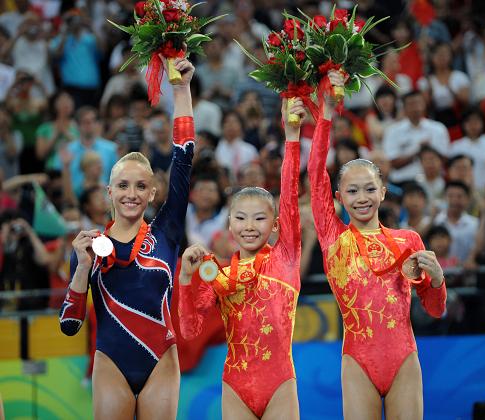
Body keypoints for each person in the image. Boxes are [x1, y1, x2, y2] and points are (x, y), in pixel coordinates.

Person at [59, 56, 196, 419]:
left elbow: (183, 161)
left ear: (153, 193)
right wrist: (81, 270)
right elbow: (70, 326)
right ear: (109, 191)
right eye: (122, 185)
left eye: (141, 186)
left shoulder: (165, 231)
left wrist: (180, 91)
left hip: (161, 359)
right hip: (111, 362)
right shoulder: (87, 246)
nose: (131, 193)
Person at [308, 71, 447, 419]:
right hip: (357, 360)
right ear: (339, 198)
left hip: (404, 357)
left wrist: (438, 280)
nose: (362, 198)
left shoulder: (408, 240)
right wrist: (325, 112)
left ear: (383, 192)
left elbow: (435, 309)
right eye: (352, 192)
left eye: (370, 189)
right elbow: (315, 173)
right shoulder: (333, 237)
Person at [178, 98, 304, 419]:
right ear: (230, 224)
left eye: (259, 219)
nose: (250, 226)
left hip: (279, 384)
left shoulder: (285, 256)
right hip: (235, 385)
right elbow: (190, 329)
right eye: (241, 219)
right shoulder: (216, 273)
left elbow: (289, 195)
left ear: (275, 224)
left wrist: (291, 136)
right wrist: (185, 279)